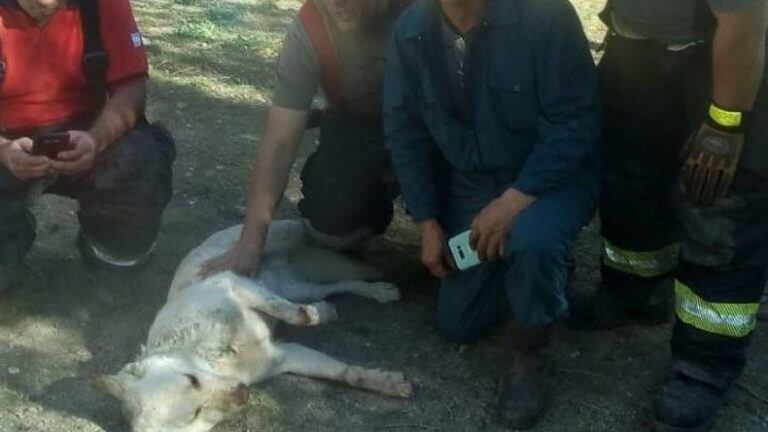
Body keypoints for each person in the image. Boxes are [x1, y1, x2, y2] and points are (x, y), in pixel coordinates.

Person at [383, 0, 599, 428]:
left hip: (548, 177)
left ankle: (532, 351)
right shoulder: (410, 29)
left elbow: (576, 123)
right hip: (475, 183)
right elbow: (404, 132)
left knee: (532, 240)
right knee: (457, 323)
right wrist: (426, 221)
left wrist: (514, 201)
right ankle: (533, 271)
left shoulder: (546, 15)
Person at [569, 0, 768, 430]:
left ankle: (706, 365)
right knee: (630, 176)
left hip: (721, 59)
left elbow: (745, 22)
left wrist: (725, 124)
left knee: (717, 203)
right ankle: (633, 292)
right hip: (637, 51)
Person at [200, 0, 407, 278]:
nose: (333, 4)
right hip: (362, 129)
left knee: (465, 243)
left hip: (437, 132)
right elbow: (280, 143)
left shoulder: (429, 12)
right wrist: (250, 243)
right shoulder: (311, 27)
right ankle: (374, 203)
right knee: (332, 230)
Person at [0, 0, 175, 292]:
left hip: (85, 130)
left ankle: (111, 257)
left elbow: (131, 89)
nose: (45, 6)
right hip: (5, 141)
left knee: (140, 161)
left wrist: (97, 138)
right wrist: (4, 151)